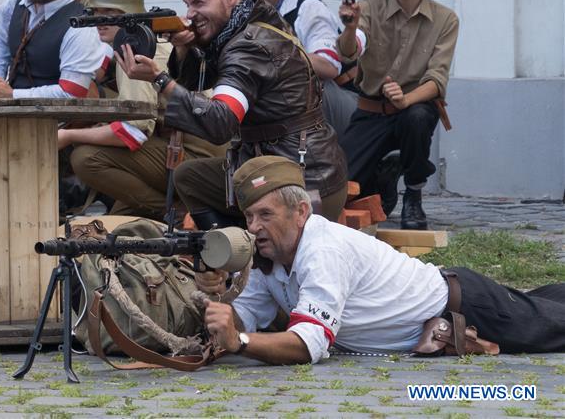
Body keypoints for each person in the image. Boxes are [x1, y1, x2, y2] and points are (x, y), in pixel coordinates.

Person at [198, 156, 565, 364]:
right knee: (546, 303)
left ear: (301, 212)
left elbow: (308, 345)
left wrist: (239, 340)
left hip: (466, 307)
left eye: (265, 215)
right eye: (249, 217)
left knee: (555, 328)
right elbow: (245, 314)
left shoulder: (322, 250)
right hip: (454, 304)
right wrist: (219, 305)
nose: (254, 227)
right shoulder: (270, 256)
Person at [118, 0, 347, 227]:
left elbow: (220, 123)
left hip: (301, 183)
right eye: (188, 4)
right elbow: (200, 81)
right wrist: (185, 46)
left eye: (199, 2)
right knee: (189, 176)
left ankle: (241, 247)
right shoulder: (250, 23)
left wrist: (159, 80)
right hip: (286, 165)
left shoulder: (246, 46)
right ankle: (232, 244)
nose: (189, 14)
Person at [61, 0, 224, 219]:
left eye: (110, 13)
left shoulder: (137, 49)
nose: (99, 21)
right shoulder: (149, 41)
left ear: (129, 15)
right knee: (120, 223)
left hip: (195, 153)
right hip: (199, 148)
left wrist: (67, 136)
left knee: (86, 157)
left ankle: (179, 215)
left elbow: (133, 131)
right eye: (95, 12)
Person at [337, 0, 459, 229]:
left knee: (417, 118)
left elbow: (437, 79)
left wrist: (405, 99)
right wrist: (350, 28)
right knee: (341, 188)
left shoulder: (445, 19)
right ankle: (383, 180)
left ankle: (414, 194)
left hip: (413, 109)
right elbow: (350, 52)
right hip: (371, 110)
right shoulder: (369, 7)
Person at [245, 0, 358, 137]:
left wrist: (276, 52)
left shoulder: (308, 8)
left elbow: (328, 67)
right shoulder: (252, 10)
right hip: (295, 106)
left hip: (345, 99)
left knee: (307, 85)